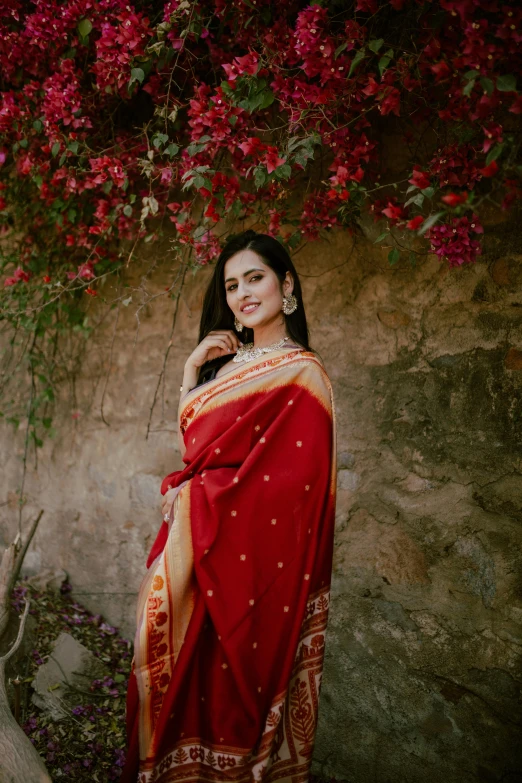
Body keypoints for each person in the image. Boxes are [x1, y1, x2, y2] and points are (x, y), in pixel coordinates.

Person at [122, 230, 336, 783]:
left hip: (249, 568)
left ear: (286, 284)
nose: (243, 294)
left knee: (230, 698)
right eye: (232, 284)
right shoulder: (224, 370)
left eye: (255, 278)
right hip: (196, 553)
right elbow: (196, 454)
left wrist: (193, 496)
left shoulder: (303, 375)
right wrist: (192, 373)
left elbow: (293, 489)